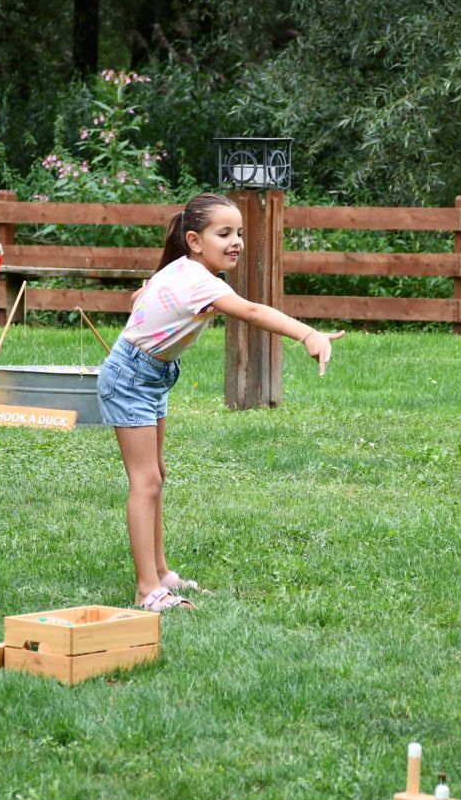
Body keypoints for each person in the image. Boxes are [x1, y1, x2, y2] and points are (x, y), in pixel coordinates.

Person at [97, 193, 345, 612]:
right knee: (146, 481)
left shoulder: (186, 269)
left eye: (240, 233)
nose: (236, 242)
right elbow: (249, 311)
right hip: (130, 378)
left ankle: (161, 572)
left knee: (156, 473)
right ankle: (147, 590)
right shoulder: (200, 281)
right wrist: (306, 333)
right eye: (224, 233)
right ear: (194, 240)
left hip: (150, 374)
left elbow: (147, 295)